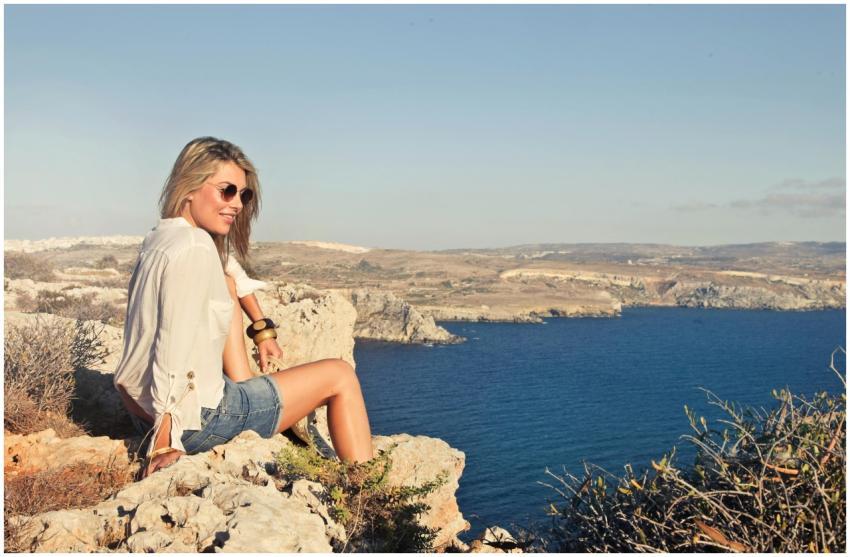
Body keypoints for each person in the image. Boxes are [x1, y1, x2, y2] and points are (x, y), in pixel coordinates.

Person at [113, 137, 373, 477]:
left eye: (243, 194)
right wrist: (164, 441)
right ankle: (368, 491)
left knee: (228, 285)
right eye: (227, 191)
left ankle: (246, 384)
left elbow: (230, 272)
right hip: (194, 422)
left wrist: (261, 329)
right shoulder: (194, 247)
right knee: (340, 375)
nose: (237, 203)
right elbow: (170, 346)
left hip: (140, 410)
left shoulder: (162, 237)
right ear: (189, 187)